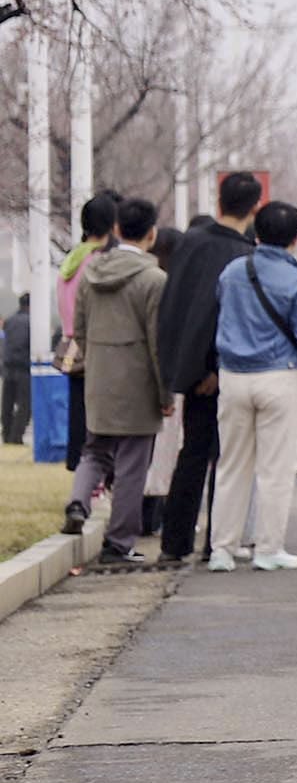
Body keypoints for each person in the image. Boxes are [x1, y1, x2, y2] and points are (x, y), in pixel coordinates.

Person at [207, 201, 297, 573]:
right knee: (275, 470)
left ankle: (222, 549)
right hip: (281, 378)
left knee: (231, 466)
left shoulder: (231, 273)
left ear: (256, 233)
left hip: (233, 377)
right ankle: (268, 548)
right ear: (295, 239)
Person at [155, 172, 264, 565]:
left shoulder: (190, 244)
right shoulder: (246, 255)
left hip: (192, 368)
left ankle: (174, 542)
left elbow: (178, 309)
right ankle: (217, 542)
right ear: (255, 207)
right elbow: (223, 316)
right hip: (227, 369)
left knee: (193, 452)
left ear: (219, 201)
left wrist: (184, 368)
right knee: (229, 458)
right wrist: (215, 368)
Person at [64, 198, 172, 566]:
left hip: (98, 377)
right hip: (138, 384)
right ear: (152, 233)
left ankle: (79, 501)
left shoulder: (91, 273)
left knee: (94, 450)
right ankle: (119, 542)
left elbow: (79, 329)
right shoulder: (154, 279)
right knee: (131, 465)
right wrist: (165, 392)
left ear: (117, 230)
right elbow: (159, 342)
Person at [57, 192, 120, 472]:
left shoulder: (71, 260)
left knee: (79, 414)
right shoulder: (97, 262)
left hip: (72, 346)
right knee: (98, 422)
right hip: (96, 346)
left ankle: (80, 474)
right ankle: (93, 480)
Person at [4, 291, 29, 446]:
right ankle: (16, 437)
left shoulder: (9, 321)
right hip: (24, 369)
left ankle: (6, 435)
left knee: (7, 403)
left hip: (8, 368)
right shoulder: (32, 322)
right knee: (24, 405)